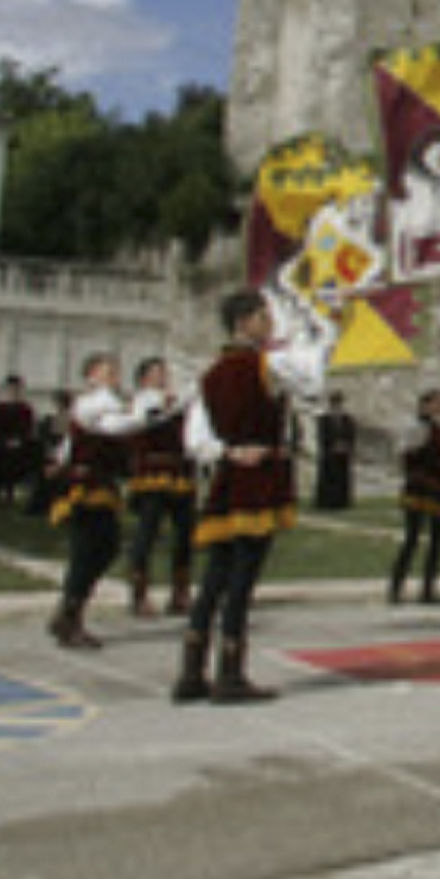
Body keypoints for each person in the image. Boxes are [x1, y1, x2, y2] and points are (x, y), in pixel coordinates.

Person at [173, 289, 325, 705]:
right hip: (258, 484)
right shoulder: (269, 365)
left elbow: (195, 439)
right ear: (243, 323)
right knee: (241, 579)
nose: (269, 323)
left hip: (227, 480)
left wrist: (227, 452)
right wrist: (321, 326)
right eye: (263, 316)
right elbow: (315, 378)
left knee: (216, 578)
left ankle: (191, 671)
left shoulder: (209, 374)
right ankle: (230, 674)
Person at [47, 353, 156, 649]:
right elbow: (114, 425)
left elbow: (76, 442)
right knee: (89, 550)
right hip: (86, 487)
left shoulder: (105, 405)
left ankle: (69, 612)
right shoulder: (93, 403)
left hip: (101, 485)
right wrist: (146, 412)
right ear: (92, 374)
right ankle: (70, 617)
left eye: (115, 371)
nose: (114, 376)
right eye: (107, 371)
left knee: (102, 548)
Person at [123, 356, 196, 616]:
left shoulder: (175, 401)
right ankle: (139, 593)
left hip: (179, 472)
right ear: (144, 379)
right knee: (147, 532)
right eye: (157, 372)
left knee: (185, 533)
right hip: (152, 474)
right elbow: (144, 421)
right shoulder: (142, 402)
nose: (163, 376)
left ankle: (180, 592)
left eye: (163, 372)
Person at [389, 388, 440, 605]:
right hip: (419, 489)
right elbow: (404, 455)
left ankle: (428, 588)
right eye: (438, 403)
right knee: (412, 539)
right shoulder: (416, 427)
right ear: (426, 404)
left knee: (436, 542)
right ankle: (396, 588)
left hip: (438, 489)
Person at [0, 376, 36, 507]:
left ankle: (12, 490)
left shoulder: (25, 409)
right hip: (0, 444)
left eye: (17, 388)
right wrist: (5, 440)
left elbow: (28, 428)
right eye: (12, 388)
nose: (15, 391)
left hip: (19, 444)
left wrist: (18, 440)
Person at [312, 392, 357, 511]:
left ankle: (342, 501)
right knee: (329, 478)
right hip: (329, 454)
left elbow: (351, 435)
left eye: (339, 403)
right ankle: (327, 502)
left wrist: (346, 446)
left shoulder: (347, 419)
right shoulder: (324, 419)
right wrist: (332, 446)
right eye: (335, 404)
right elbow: (321, 436)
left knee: (342, 478)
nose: (337, 407)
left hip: (343, 454)